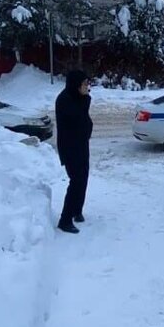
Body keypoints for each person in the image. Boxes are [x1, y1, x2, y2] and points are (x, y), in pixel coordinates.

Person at [55, 69, 93, 234]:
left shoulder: (78, 98)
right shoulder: (65, 100)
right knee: (76, 182)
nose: (88, 87)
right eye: (85, 84)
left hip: (81, 145)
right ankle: (65, 220)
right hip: (70, 148)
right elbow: (78, 121)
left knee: (83, 178)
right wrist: (85, 100)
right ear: (76, 84)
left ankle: (77, 210)